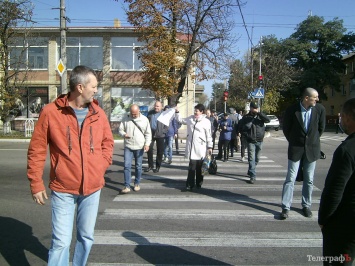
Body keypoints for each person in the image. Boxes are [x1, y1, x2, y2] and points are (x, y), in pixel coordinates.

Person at [27, 65, 114, 265]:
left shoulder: (99, 114)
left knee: (86, 237)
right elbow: (37, 149)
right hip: (63, 188)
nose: (96, 90)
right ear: (80, 87)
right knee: (60, 242)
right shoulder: (51, 112)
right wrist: (36, 183)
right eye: (94, 86)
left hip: (92, 189)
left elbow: (107, 143)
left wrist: (100, 166)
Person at [318, 98, 355, 265]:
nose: (341, 120)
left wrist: (324, 220)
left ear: (348, 118)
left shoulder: (347, 150)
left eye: (342, 116)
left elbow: (334, 191)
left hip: (345, 224)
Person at [280, 87, 326, 220]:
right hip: (296, 148)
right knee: (290, 178)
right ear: (306, 98)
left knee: (309, 179)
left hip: (312, 149)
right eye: (315, 97)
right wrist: (295, 142)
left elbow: (320, 129)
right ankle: (285, 207)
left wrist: (311, 142)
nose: (317, 99)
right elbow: (286, 129)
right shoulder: (292, 110)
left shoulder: (320, 109)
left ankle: (306, 205)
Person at [175, 103, 213, 190]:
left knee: (200, 168)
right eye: (194, 110)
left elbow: (209, 135)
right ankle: (189, 184)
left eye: (197, 111)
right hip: (192, 148)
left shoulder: (206, 122)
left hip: (201, 148)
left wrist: (210, 146)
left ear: (202, 112)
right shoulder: (190, 119)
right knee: (191, 167)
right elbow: (180, 120)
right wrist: (177, 112)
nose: (195, 112)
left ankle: (199, 183)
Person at [119, 104, 151, 193]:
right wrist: (124, 134)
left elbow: (148, 133)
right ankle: (127, 186)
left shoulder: (144, 120)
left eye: (135, 114)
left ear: (139, 111)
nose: (133, 116)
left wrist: (147, 144)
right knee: (126, 166)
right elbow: (120, 129)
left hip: (139, 146)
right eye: (132, 114)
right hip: (128, 146)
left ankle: (137, 183)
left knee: (138, 166)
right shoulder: (126, 118)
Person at [238, 101, 270, 184]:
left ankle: (251, 169)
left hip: (260, 140)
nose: (255, 109)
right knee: (251, 158)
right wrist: (246, 134)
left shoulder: (260, 116)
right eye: (254, 108)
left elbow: (268, 120)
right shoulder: (246, 117)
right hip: (251, 140)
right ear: (251, 108)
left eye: (257, 108)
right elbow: (240, 127)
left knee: (257, 158)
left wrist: (259, 113)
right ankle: (253, 175)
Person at [145, 101, 168, 173]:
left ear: (161, 107)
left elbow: (167, 125)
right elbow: (146, 122)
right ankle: (150, 165)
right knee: (149, 149)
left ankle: (158, 166)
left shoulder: (164, 114)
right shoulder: (150, 113)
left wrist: (163, 131)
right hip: (151, 134)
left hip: (160, 135)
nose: (156, 107)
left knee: (160, 151)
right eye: (155, 106)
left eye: (158, 106)